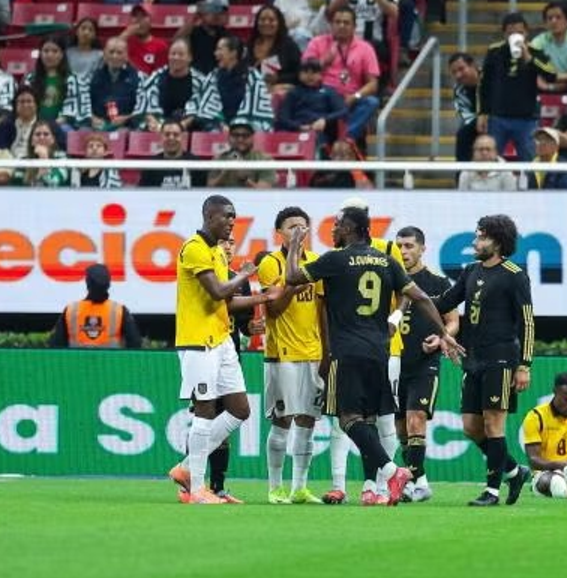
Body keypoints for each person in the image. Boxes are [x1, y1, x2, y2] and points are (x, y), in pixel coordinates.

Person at [283, 206, 461, 506]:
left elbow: (290, 277)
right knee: (370, 419)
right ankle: (375, 483)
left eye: (337, 225)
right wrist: (444, 332)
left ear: (351, 228)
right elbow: (419, 297)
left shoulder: (335, 259)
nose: (333, 230)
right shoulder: (386, 261)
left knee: (348, 418)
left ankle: (393, 472)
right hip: (379, 352)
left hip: (348, 352)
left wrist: (296, 247)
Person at [168, 195, 277, 504]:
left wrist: (263, 299)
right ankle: (199, 489)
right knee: (204, 410)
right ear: (209, 216)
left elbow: (226, 303)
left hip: (222, 340)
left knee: (241, 409)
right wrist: (244, 274)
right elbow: (217, 290)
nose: (232, 221)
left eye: (234, 217)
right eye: (227, 216)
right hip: (198, 341)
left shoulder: (216, 251)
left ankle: (188, 467)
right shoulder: (194, 248)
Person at [433, 215, 535, 507]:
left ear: (498, 241)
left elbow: (527, 322)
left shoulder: (514, 274)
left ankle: (491, 491)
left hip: (501, 358)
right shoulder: (471, 271)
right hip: (473, 359)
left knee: (493, 424)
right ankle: (514, 471)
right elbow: (445, 302)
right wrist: (411, 295)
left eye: (481, 237)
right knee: (470, 427)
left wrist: (524, 364)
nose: (475, 243)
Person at [257, 207, 325, 505]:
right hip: (282, 353)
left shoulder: (317, 264)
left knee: (308, 421)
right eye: (292, 227)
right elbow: (273, 309)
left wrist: (328, 351)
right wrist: (293, 281)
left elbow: (323, 311)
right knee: (282, 420)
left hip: (313, 352)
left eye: (303, 227)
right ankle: (275, 487)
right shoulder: (271, 264)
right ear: (280, 233)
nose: (299, 231)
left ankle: (300, 487)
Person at [393, 225, 459, 502]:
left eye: (409, 246)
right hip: (394, 361)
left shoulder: (437, 283)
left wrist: (442, 339)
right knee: (400, 428)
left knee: (416, 419)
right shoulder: (388, 278)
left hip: (424, 363)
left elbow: (453, 322)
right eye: (399, 246)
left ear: (422, 248)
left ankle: (410, 481)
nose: (404, 251)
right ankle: (420, 481)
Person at [477, 13, 557, 162]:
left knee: (531, 163)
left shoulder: (535, 51)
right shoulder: (494, 51)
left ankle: (531, 186)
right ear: (504, 34)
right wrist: (482, 113)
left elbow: (552, 75)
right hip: (498, 117)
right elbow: (484, 84)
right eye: (510, 33)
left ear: (526, 33)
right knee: (490, 161)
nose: (515, 36)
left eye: (519, 32)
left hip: (527, 119)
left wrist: (529, 59)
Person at [301, 4, 381, 143]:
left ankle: (346, 138)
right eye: (337, 22)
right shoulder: (317, 42)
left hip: (350, 98)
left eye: (346, 23)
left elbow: (373, 84)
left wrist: (354, 97)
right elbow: (304, 75)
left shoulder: (365, 48)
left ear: (354, 27)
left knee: (371, 102)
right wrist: (324, 61)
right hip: (322, 96)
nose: (342, 26)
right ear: (331, 25)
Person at [48, 264, 142, 349]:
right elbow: (135, 344)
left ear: (87, 283)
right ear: (109, 284)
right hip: (110, 366)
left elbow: (55, 344)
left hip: (76, 365)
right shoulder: (119, 311)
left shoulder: (71, 310)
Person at [197, 36, 275, 132]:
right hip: (220, 126)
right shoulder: (213, 75)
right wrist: (221, 125)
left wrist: (237, 125)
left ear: (233, 53)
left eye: (219, 49)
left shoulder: (252, 75)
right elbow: (206, 109)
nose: (215, 54)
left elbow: (259, 111)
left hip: (247, 125)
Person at [133, 39, 205, 132]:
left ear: (190, 58)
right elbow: (144, 105)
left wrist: (182, 125)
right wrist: (153, 122)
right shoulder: (155, 77)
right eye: (173, 54)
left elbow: (202, 109)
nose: (176, 57)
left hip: (189, 125)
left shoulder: (200, 81)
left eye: (180, 54)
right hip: (160, 124)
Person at [275, 58, 347, 147]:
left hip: (319, 131)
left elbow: (343, 111)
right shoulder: (293, 93)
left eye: (314, 72)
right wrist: (299, 127)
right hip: (296, 130)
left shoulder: (329, 91)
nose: (310, 76)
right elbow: (283, 117)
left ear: (321, 75)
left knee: (316, 140)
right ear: (299, 74)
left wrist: (325, 120)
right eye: (305, 72)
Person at [82, 37, 143, 131]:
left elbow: (143, 108)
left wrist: (127, 118)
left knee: (122, 132)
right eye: (111, 52)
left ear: (126, 55)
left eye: (119, 53)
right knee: (83, 131)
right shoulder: (92, 76)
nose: (115, 56)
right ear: (104, 54)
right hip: (97, 124)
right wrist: (92, 117)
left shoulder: (138, 77)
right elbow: (83, 103)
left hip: (126, 126)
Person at [207, 121, 278, 188]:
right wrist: (225, 171)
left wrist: (245, 179)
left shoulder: (264, 159)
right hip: (224, 199)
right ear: (229, 138)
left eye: (245, 135)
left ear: (252, 138)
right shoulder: (219, 158)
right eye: (235, 135)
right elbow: (209, 188)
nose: (240, 139)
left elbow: (264, 194)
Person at [118, 4, 169, 75]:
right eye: (135, 16)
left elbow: (160, 76)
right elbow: (107, 59)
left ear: (151, 21)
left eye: (143, 16)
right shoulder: (124, 41)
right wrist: (125, 35)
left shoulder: (160, 46)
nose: (138, 20)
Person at [448, 52, 479, 163]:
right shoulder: (458, 90)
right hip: (477, 123)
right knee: (463, 134)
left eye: (461, 69)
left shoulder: (489, 77)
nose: (458, 75)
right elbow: (466, 117)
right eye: (454, 72)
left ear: (472, 65)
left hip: (499, 117)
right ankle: (461, 175)